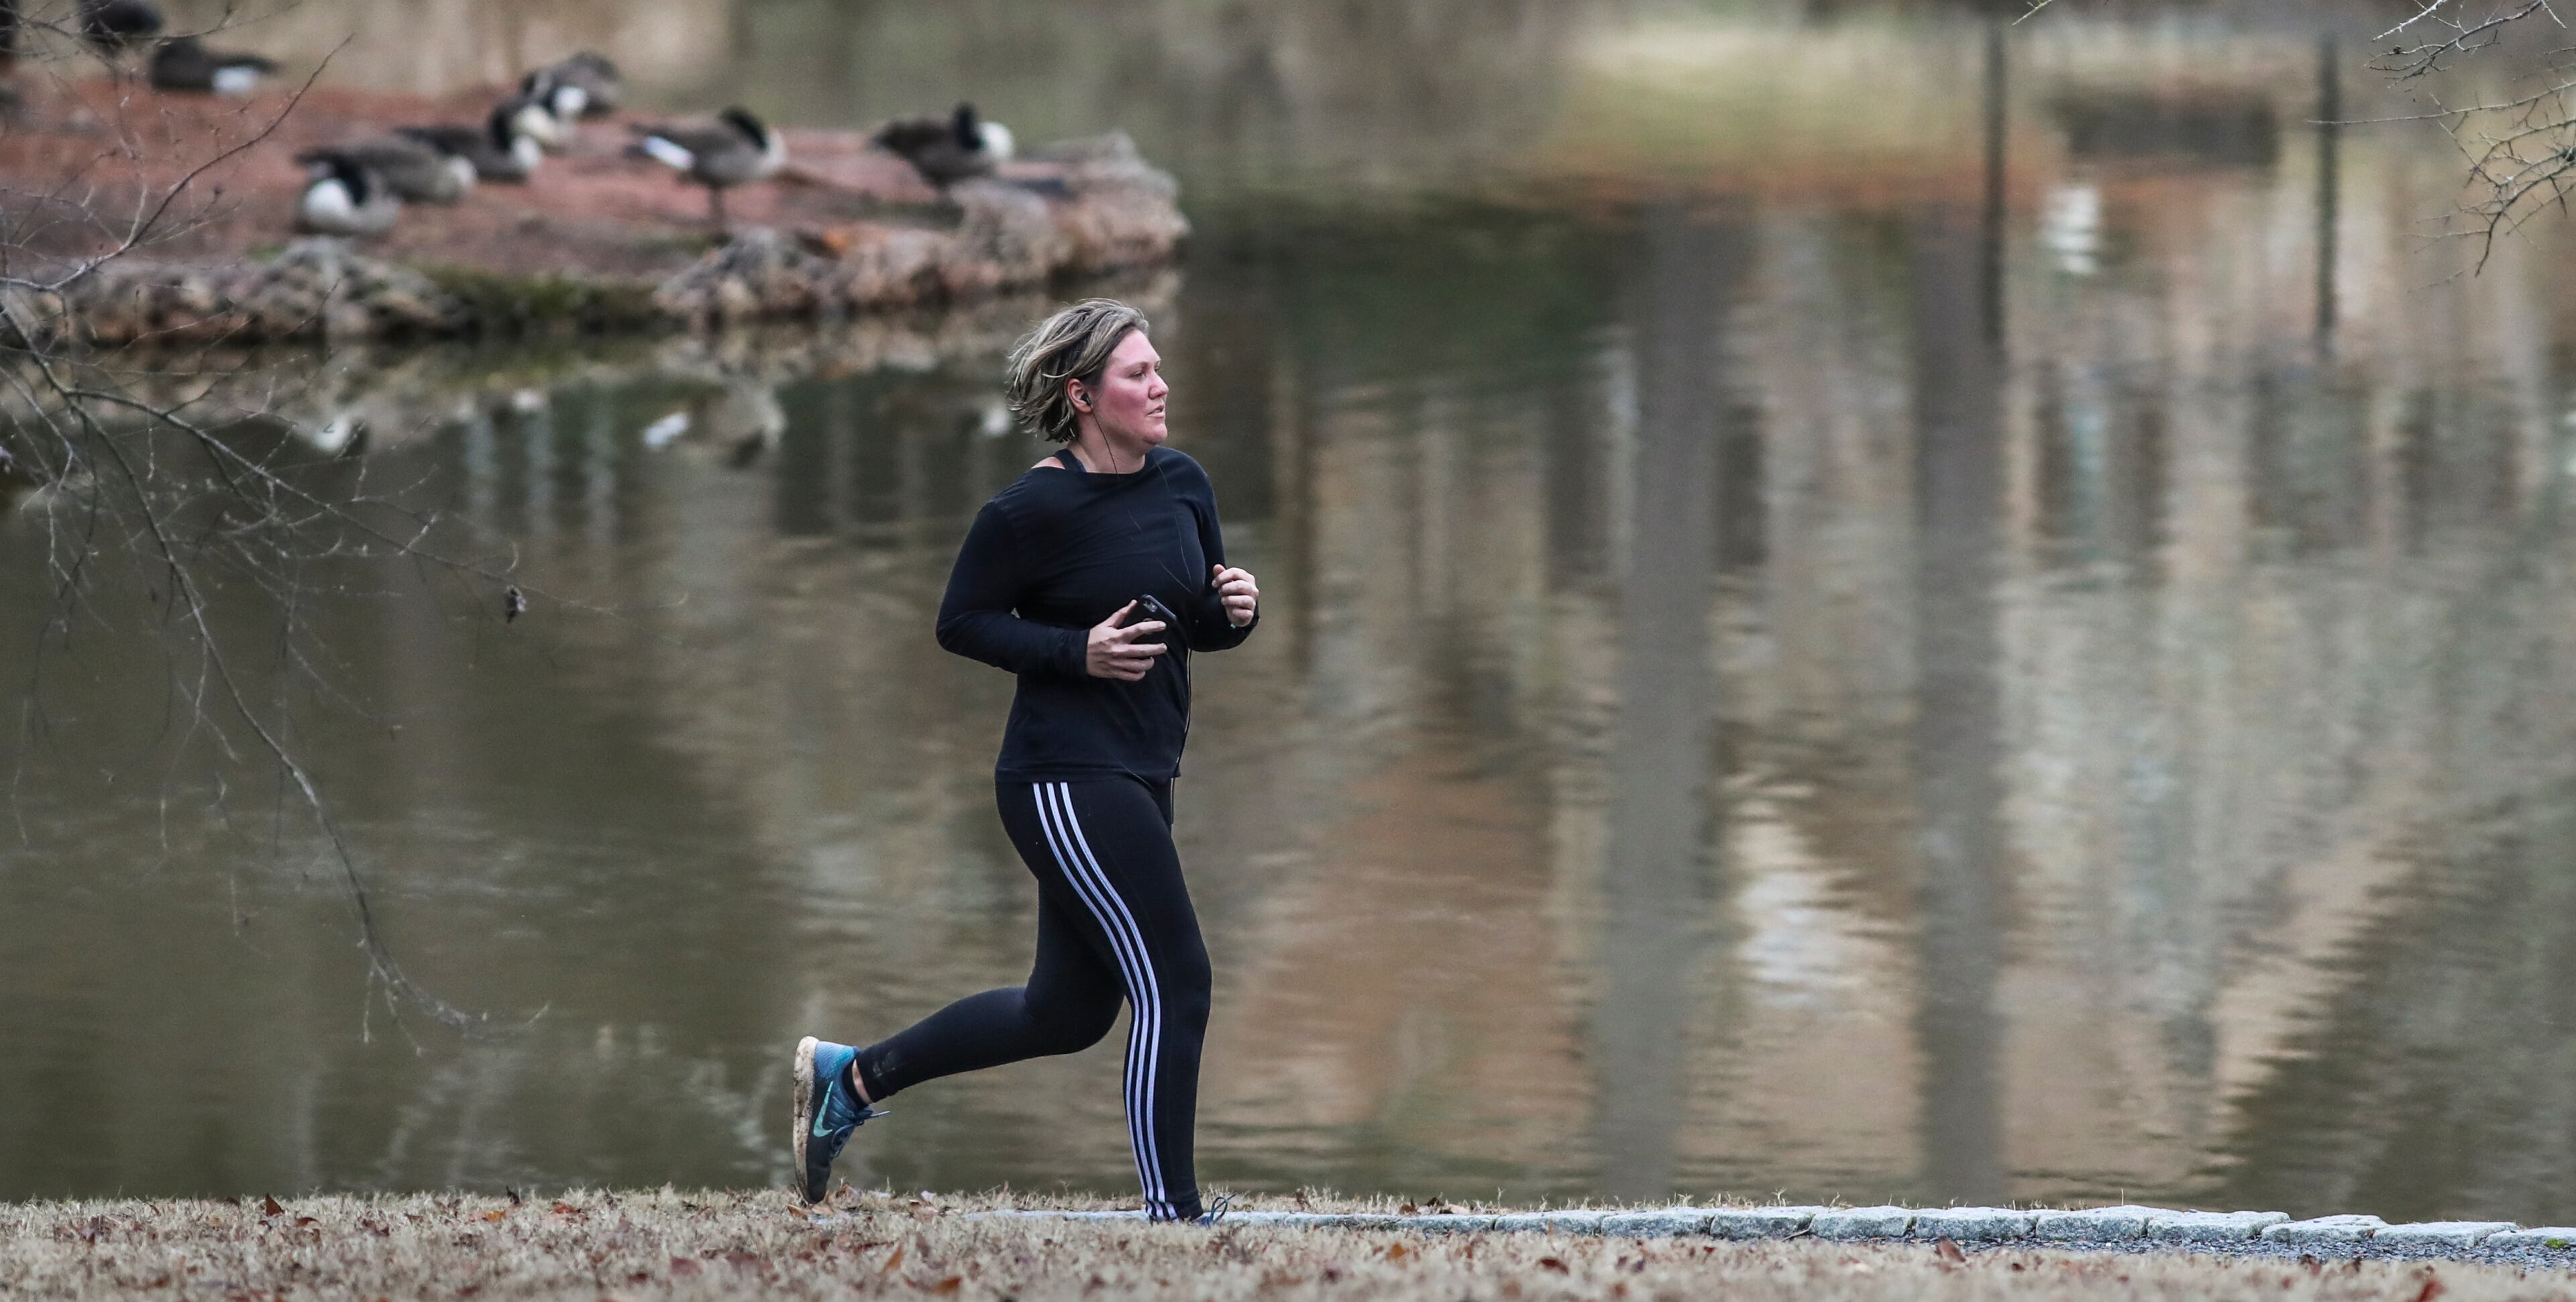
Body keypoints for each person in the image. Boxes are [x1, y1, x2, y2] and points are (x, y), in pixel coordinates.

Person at [793, 299, 1260, 1224]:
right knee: (1177, 978)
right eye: (1138, 373)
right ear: (1082, 395)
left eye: (1158, 367)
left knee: (1067, 1012)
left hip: (1145, 767)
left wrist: (1235, 611)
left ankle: (853, 1077)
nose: (1161, 384)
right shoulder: (1030, 508)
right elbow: (960, 623)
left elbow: (1191, 623)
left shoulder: (1183, 483)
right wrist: (1074, 651)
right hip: (1062, 778)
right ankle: (1173, 1216)